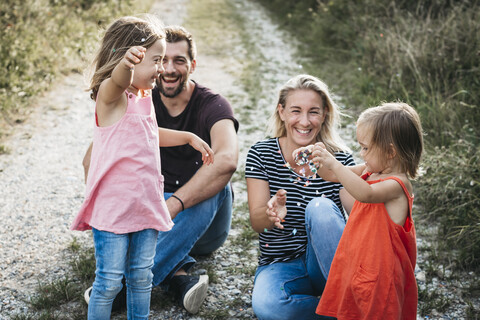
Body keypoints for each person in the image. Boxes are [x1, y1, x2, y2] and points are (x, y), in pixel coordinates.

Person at [82, 25, 239, 314]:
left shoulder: (210, 103)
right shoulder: (122, 94)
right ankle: (178, 276)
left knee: (138, 274)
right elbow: (115, 84)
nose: (165, 68)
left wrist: (189, 138)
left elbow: (226, 159)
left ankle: (124, 287)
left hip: (190, 215)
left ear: (193, 65)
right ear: (131, 58)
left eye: (176, 60)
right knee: (133, 274)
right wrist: (105, 206)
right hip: (137, 207)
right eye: (158, 60)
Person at [245, 74, 356, 320]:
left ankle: (347, 298)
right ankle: (350, 312)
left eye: (313, 112)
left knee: (320, 207)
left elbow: (359, 215)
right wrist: (270, 213)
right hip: (280, 265)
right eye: (296, 111)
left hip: (330, 264)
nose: (304, 121)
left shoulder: (341, 159)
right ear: (281, 112)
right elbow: (256, 222)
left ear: (325, 114)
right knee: (269, 307)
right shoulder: (261, 154)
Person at [314, 102, 423, 319]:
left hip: (383, 276)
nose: (361, 154)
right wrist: (318, 161)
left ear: (390, 151)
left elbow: (366, 194)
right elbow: (333, 176)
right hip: (361, 265)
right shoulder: (370, 170)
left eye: (365, 148)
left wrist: (335, 164)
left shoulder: (397, 185)